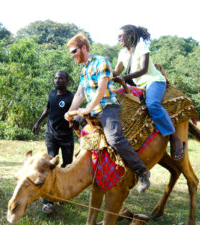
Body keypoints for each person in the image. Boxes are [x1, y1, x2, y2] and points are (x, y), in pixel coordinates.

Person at [65, 33, 150, 194]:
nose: (72, 55)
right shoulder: (84, 70)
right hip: (92, 111)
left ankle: (141, 171)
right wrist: (69, 112)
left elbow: (102, 90)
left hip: (107, 108)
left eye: (74, 51)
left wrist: (88, 109)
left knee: (114, 139)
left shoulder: (101, 61)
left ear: (84, 48)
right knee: (75, 124)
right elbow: (79, 95)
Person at [113, 24, 185, 160]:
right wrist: (103, 74)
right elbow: (116, 71)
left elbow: (143, 69)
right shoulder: (122, 53)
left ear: (129, 36)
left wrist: (123, 78)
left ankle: (175, 138)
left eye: (120, 36)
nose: (118, 38)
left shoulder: (141, 47)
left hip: (153, 82)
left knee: (152, 105)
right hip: (139, 86)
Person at [32, 70, 74, 214]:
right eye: (55, 78)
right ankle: (47, 201)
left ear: (66, 80)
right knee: (50, 165)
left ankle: (62, 195)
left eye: (60, 78)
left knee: (67, 165)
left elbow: (75, 115)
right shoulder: (51, 94)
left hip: (66, 137)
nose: (57, 81)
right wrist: (38, 123)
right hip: (51, 135)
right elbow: (48, 109)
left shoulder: (71, 97)